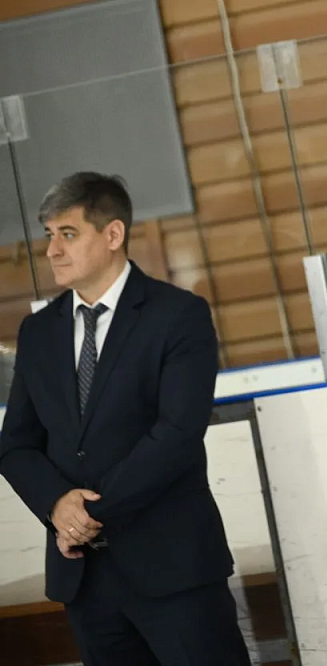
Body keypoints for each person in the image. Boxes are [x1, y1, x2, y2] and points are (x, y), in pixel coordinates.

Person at [0, 173, 250, 665]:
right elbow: (16, 445)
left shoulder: (178, 314)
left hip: (174, 569)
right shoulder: (38, 332)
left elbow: (176, 434)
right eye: (49, 235)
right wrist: (57, 506)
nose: (52, 250)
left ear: (113, 234)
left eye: (68, 233)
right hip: (85, 580)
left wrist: (88, 515)